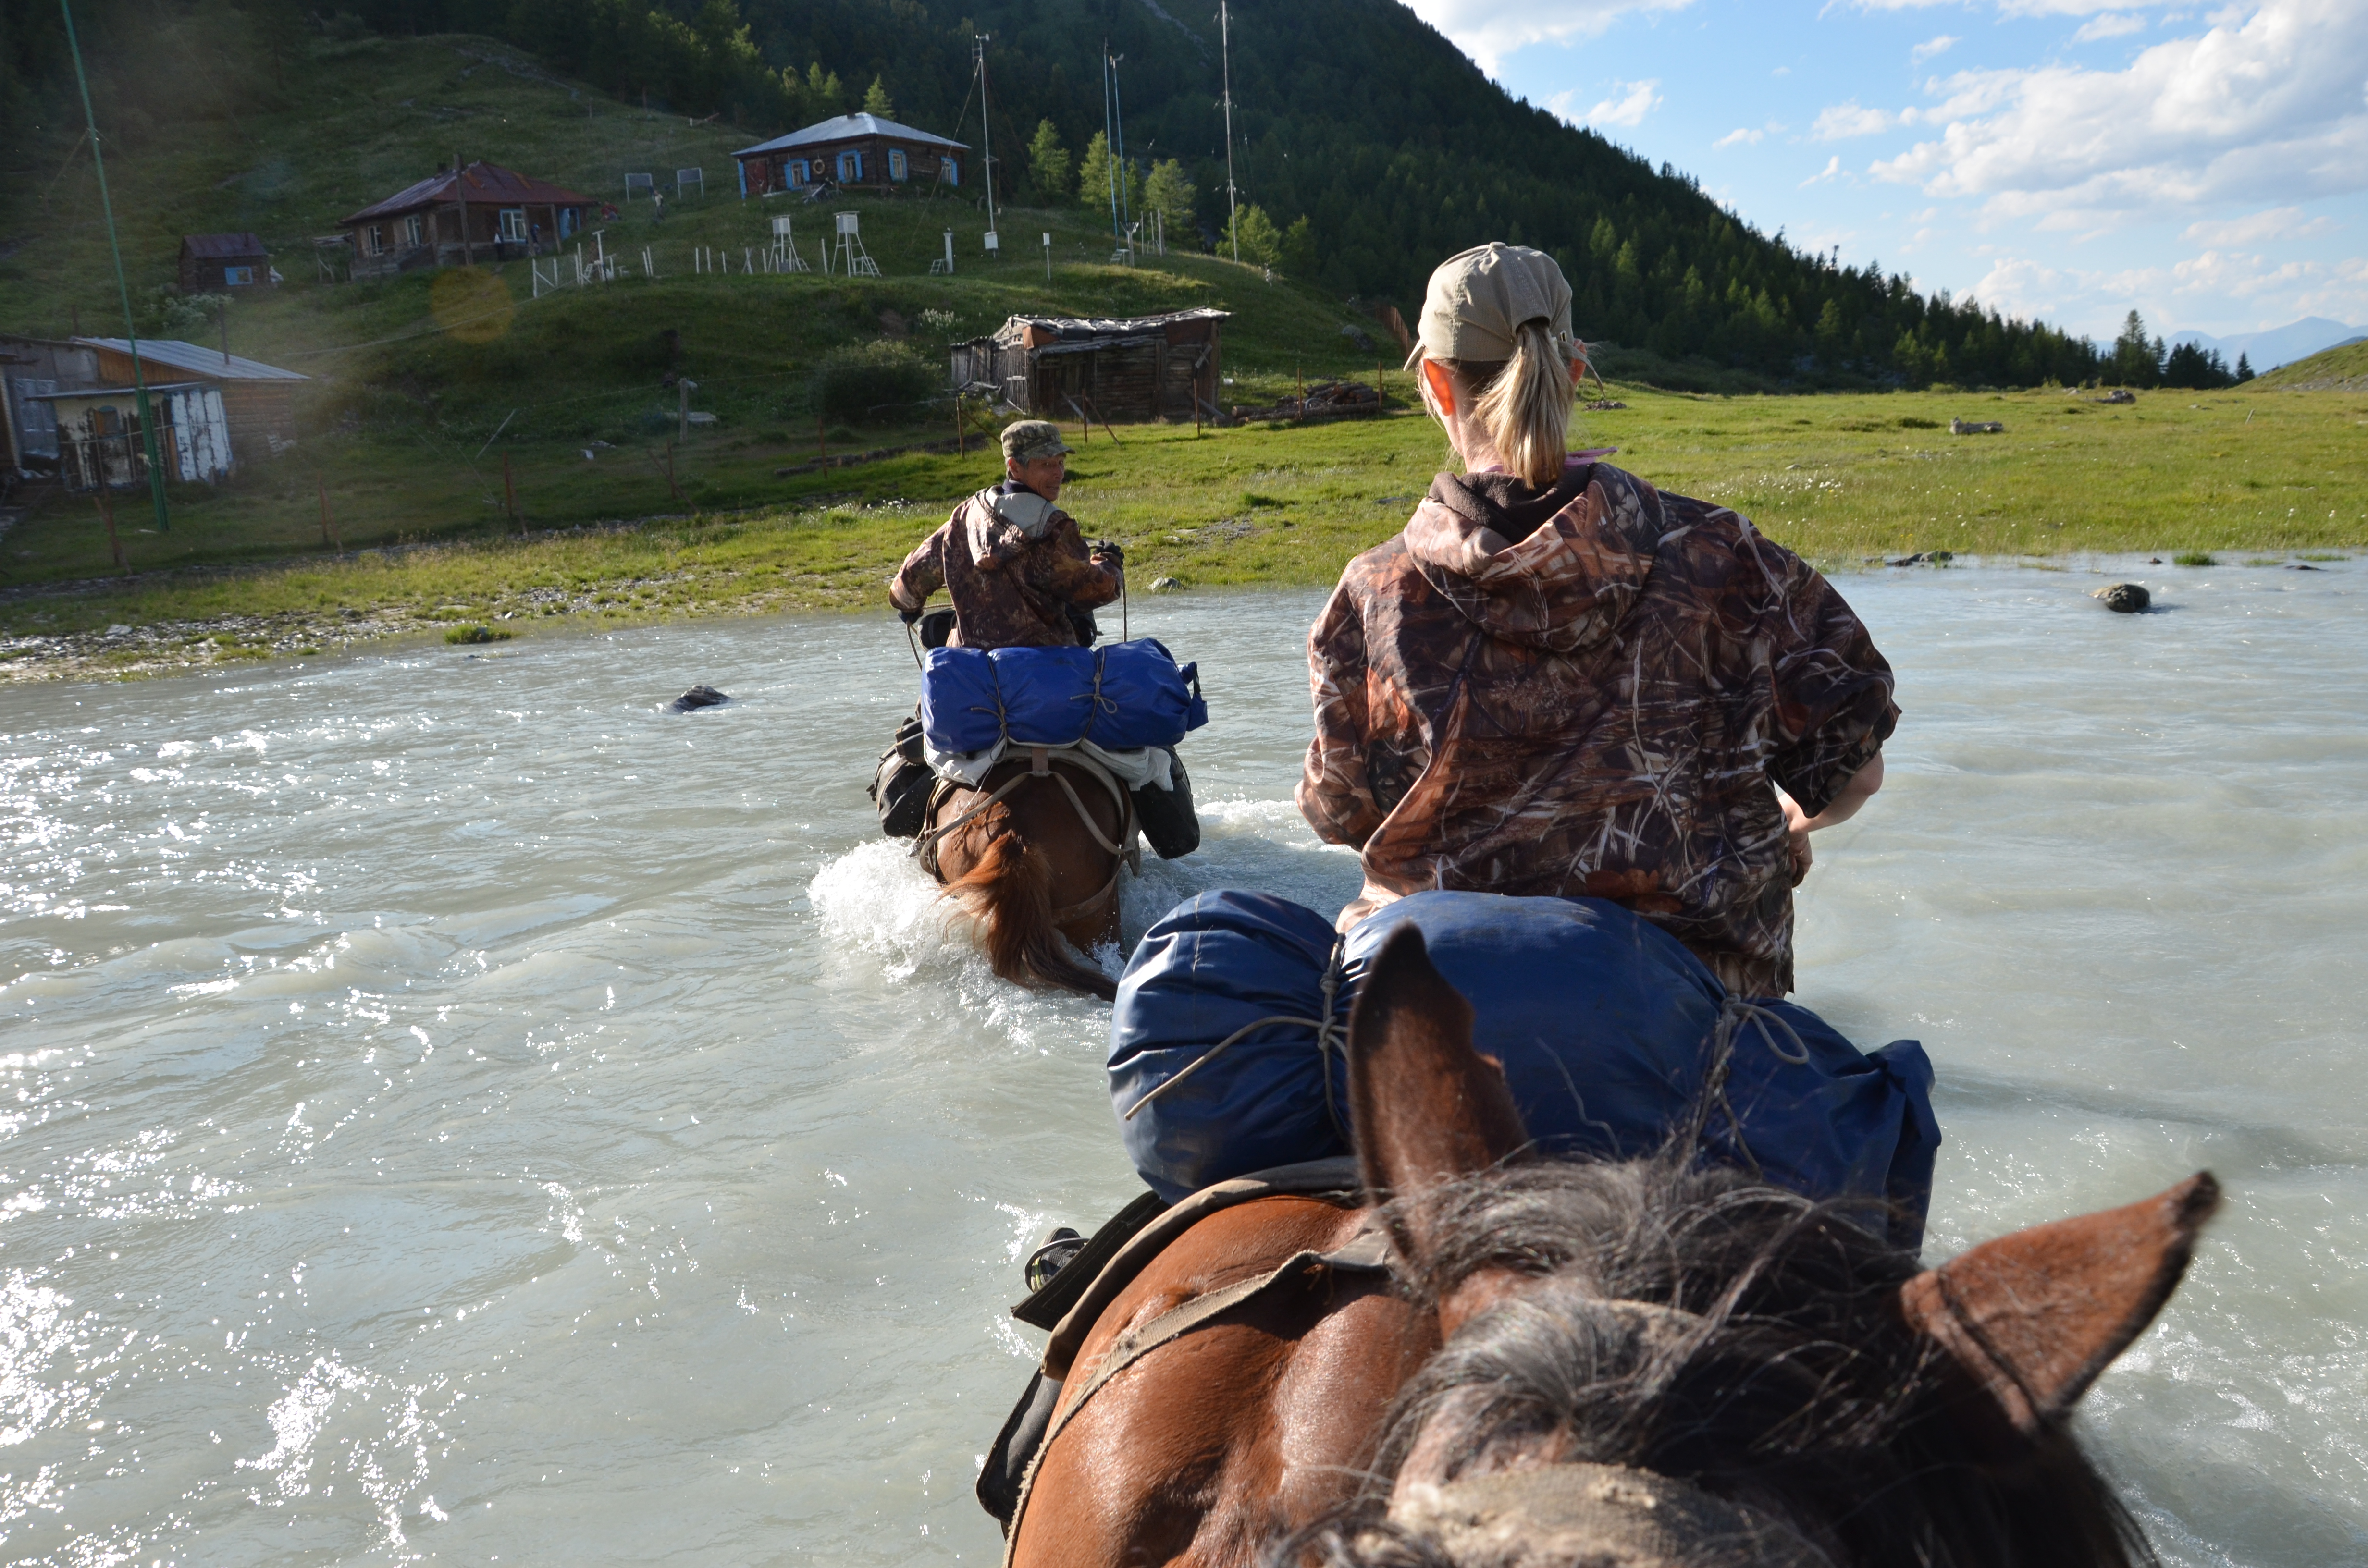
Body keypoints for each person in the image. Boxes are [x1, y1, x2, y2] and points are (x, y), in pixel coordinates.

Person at [1297, 243, 1894, 998]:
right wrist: (1784, 821)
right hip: (1691, 1025)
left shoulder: (1372, 593)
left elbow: (1339, 812)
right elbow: (1858, 772)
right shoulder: (1724, 556)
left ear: (1436, 384)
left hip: (1447, 1023)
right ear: (1574, 370)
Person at [871, 421, 1200, 857]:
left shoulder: (961, 520)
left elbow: (906, 585)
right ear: (1015, 466)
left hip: (975, 684)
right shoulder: (1052, 527)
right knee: (1151, 753)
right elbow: (1091, 589)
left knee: (914, 739)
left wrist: (908, 605)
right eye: (1047, 464)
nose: (1058, 473)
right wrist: (1110, 566)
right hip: (1054, 681)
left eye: (1061, 463)